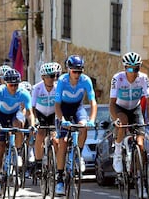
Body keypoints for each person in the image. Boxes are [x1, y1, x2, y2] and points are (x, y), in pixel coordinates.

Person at [110, 52, 149, 197]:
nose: (133, 73)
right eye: (130, 69)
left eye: (136, 69)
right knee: (122, 121)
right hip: (120, 108)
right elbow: (112, 104)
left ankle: (140, 180)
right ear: (125, 68)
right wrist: (115, 118)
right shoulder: (117, 78)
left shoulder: (143, 78)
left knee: (141, 144)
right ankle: (118, 151)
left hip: (135, 108)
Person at [54, 55, 97, 195]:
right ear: (68, 70)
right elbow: (57, 105)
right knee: (63, 141)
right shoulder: (62, 81)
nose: (77, 74)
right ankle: (59, 177)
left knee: (83, 126)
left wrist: (92, 119)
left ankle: (79, 154)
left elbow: (93, 102)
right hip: (63, 109)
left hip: (78, 107)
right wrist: (62, 119)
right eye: (74, 71)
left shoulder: (86, 80)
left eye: (80, 71)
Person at [0, 69, 36, 195]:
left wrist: (32, 126)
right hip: (0, 115)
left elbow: (29, 112)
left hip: (13, 115)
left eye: (16, 84)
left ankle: (17, 151)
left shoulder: (23, 92)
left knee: (18, 125)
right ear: (6, 84)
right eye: (11, 85)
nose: (14, 87)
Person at [32, 62, 62, 175]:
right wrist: (35, 120)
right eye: (49, 76)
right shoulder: (37, 88)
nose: (52, 79)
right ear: (43, 77)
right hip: (40, 113)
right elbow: (32, 107)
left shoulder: (58, 87)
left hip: (54, 114)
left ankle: (58, 164)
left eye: (54, 76)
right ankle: (38, 163)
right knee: (40, 134)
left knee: (56, 140)